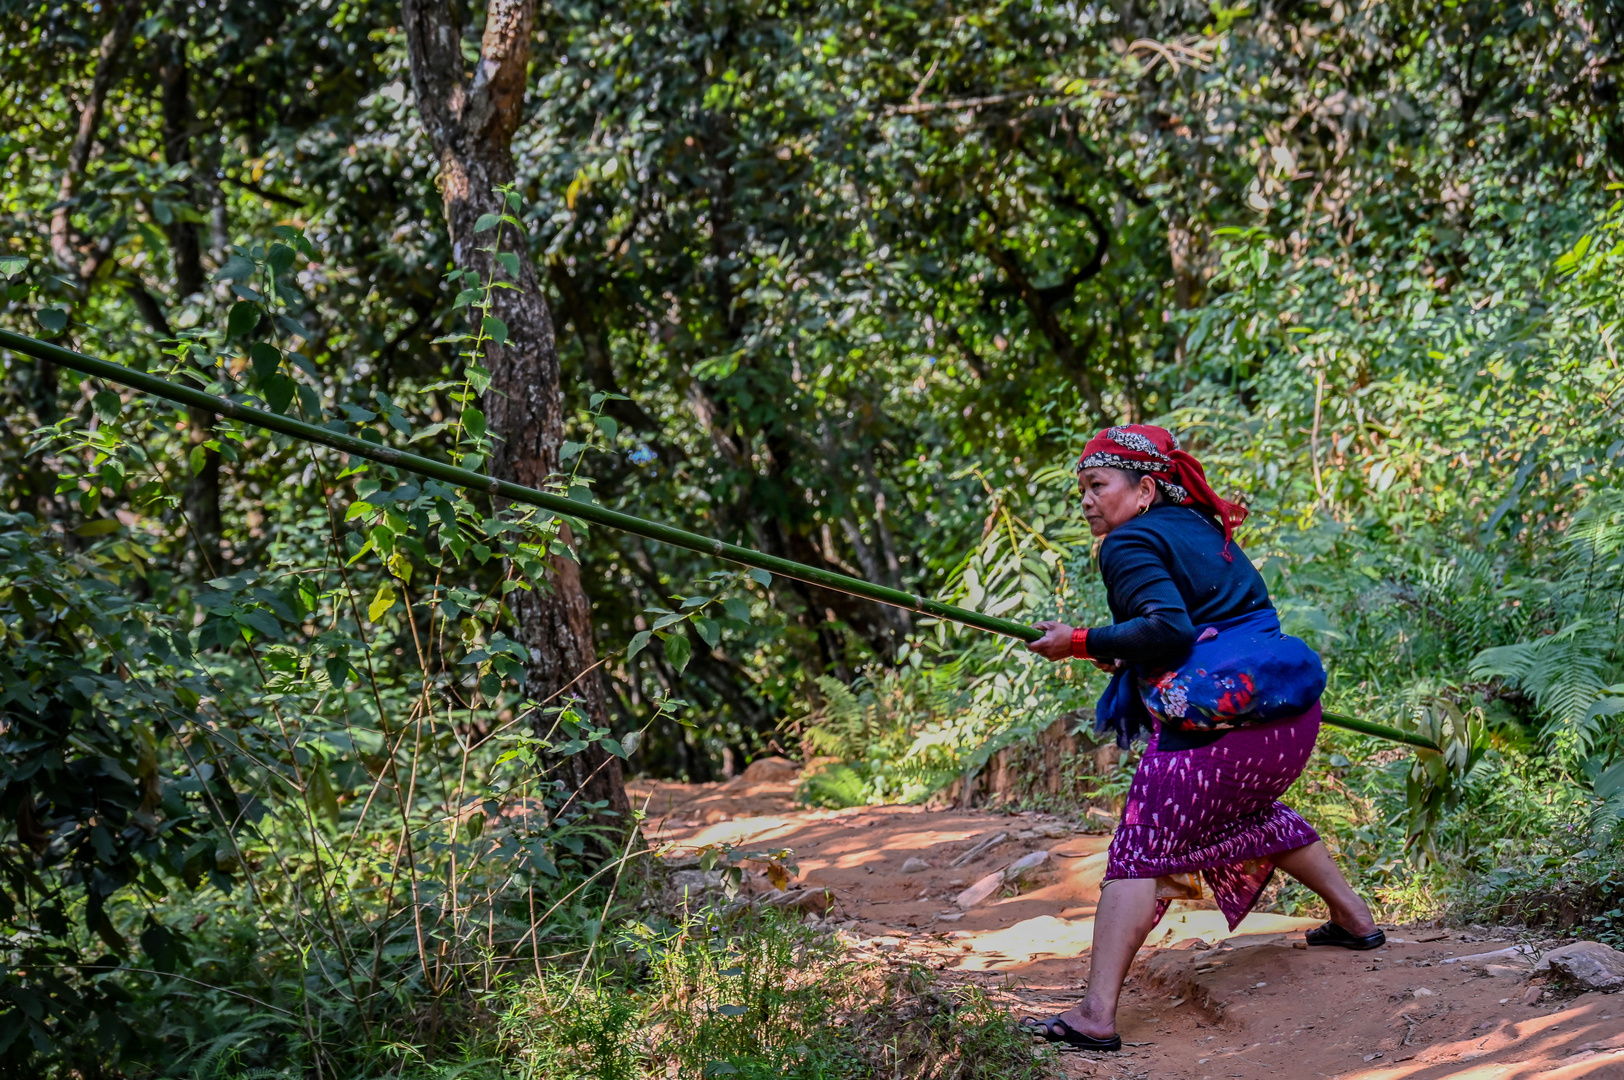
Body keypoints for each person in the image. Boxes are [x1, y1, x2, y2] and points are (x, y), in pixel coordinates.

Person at [1019, 424, 1382, 1053]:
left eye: (1097, 485)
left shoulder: (1126, 542)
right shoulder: (1201, 528)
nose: (1085, 500)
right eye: (1081, 487)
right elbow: (1205, 625)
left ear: (1145, 488)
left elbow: (1167, 631)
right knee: (1252, 813)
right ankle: (1355, 921)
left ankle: (1094, 1014)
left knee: (1139, 852)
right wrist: (1121, 651)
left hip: (1218, 731)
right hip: (1287, 720)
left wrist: (1078, 642)